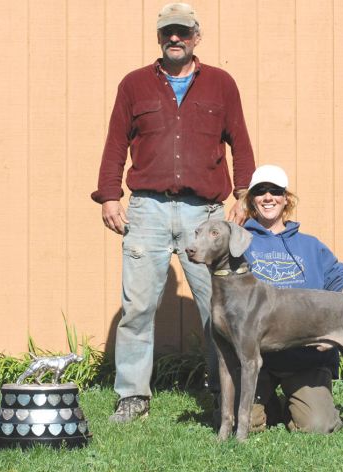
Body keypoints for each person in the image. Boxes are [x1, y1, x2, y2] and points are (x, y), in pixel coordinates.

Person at [91, 2, 255, 422]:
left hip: (206, 215)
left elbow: (241, 141)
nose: (175, 39)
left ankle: (225, 393)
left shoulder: (221, 84)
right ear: (159, 38)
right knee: (138, 307)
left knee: (217, 309)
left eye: (182, 32)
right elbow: (115, 143)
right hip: (147, 210)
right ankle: (133, 397)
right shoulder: (134, 85)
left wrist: (243, 194)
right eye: (168, 32)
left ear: (196, 37)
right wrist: (110, 194)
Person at [242, 164, 343, 434]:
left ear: (286, 198)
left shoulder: (311, 246)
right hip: (257, 358)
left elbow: (340, 295)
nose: (268, 197)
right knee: (246, 423)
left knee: (316, 425)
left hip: (304, 357)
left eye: (275, 191)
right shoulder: (239, 242)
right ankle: (267, 405)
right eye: (260, 191)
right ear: (251, 198)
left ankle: (298, 401)